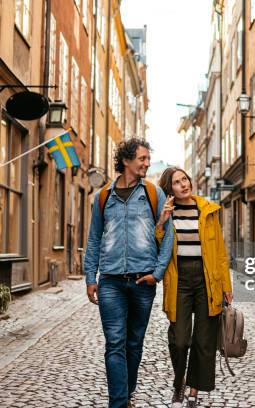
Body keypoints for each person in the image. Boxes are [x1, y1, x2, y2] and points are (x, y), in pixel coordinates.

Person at [84, 138, 174, 408]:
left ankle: (128, 390)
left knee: (134, 344)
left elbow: (168, 235)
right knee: (114, 342)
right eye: (142, 159)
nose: (147, 163)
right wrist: (91, 277)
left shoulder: (152, 193)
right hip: (110, 281)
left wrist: (156, 274)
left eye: (148, 159)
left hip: (143, 280)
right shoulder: (103, 197)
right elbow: (94, 239)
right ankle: (119, 403)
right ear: (126, 161)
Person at [155, 167, 233, 408]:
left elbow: (220, 252)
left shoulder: (208, 210)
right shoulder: (167, 213)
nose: (184, 184)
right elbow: (156, 246)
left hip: (206, 279)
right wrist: (162, 221)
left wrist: (226, 285)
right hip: (179, 280)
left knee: (204, 340)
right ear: (170, 189)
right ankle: (179, 383)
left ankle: (193, 389)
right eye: (177, 182)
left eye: (185, 179)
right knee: (179, 340)